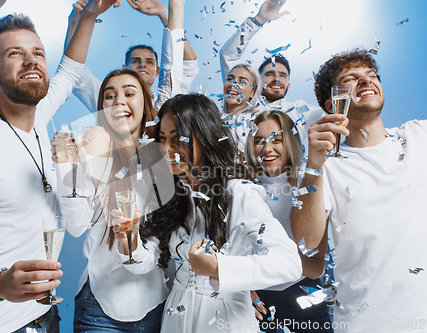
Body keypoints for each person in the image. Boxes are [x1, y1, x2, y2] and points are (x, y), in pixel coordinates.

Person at [0, 0, 120, 331]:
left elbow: (71, 69)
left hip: (45, 316)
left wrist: (88, 14)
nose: (32, 59)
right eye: (14, 54)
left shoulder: (38, 115)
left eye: (38, 52)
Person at [115, 94, 302, 333]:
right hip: (176, 316)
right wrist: (130, 240)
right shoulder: (170, 194)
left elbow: (289, 264)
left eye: (177, 139)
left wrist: (218, 268)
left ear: (204, 137)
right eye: (162, 139)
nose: (167, 149)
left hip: (226, 320)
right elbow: (146, 264)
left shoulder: (239, 193)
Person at [291, 49, 427, 332]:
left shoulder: (418, 136)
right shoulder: (324, 168)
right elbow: (306, 242)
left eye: (371, 75)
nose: (366, 81)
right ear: (333, 103)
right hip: (363, 323)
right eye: (352, 78)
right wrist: (314, 163)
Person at [52, 67, 175, 332]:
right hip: (102, 309)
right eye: (109, 97)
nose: (118, 101)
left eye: (129, 93)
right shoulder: (96, 149)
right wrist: (68, 168)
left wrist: (132, 244)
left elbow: (159, 246)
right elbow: (76, 226)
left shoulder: (159, 159)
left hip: (157, 303)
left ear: (145, 104)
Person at [244, 110, 332, 332]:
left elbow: (314, 268)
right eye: (258, 141)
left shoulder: (310, 187)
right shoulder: (241, 191)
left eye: (276, 139)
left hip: (306, 295)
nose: (267, 148)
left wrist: (265, 260)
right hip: (257, 301)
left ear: (290, 142)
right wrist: (242, 289)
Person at [219, 0, 325, 150]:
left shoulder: (298, 109)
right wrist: (258, 20)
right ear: (257, 82)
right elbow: (229, 56)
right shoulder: (243, 101)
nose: (276, 79)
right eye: (270, 74)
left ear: (288, 86)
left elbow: (326, 116)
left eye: (283, 75)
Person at [65, 0, 199, 113]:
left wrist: (164, 14)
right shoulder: (110, 100)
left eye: (149, 62)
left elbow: (188, 62)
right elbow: (74, 72)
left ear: (158, 71)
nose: (142, 65)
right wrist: (77, 21)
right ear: (125, 68)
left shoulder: (168, 103)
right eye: (135, 61)